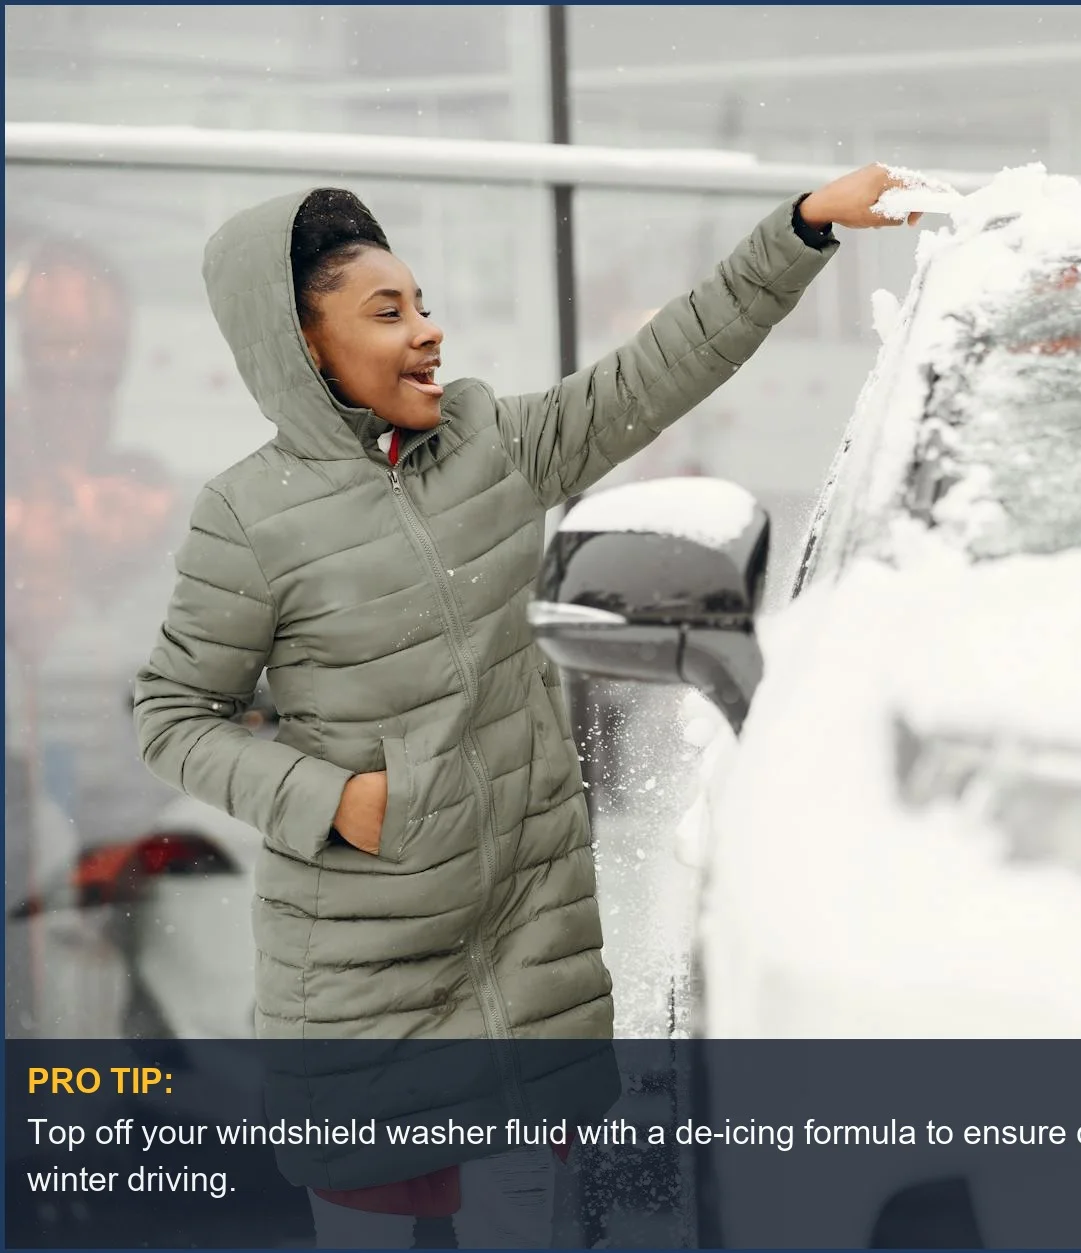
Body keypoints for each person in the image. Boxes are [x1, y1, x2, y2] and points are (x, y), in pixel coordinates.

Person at [130, 165, 920, 1246]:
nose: (428, 332)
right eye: (387, 311)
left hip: (526, 957)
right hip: (364, 982)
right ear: (304, 345)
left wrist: (800, 229)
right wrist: (335, 798)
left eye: (423, 303)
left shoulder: (488, 445)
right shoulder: (248, 519)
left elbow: (655, 370)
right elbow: (173, 712)